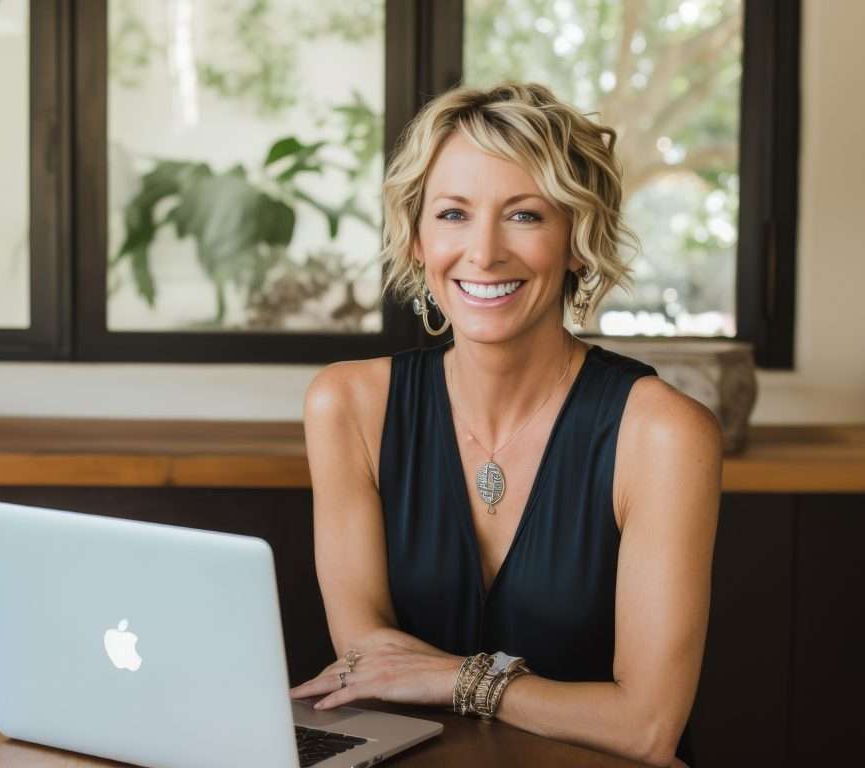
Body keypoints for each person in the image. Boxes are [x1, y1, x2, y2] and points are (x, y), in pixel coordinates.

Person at [288, 82, 722, 768]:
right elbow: (365, 655)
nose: (484, 253)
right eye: (454, 214)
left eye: (524, 216)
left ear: (577, 240)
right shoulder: (346, 405)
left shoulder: (664, 434)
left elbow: (645, 728)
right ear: (418, 236)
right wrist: (538, 695)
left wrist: (457, 679)